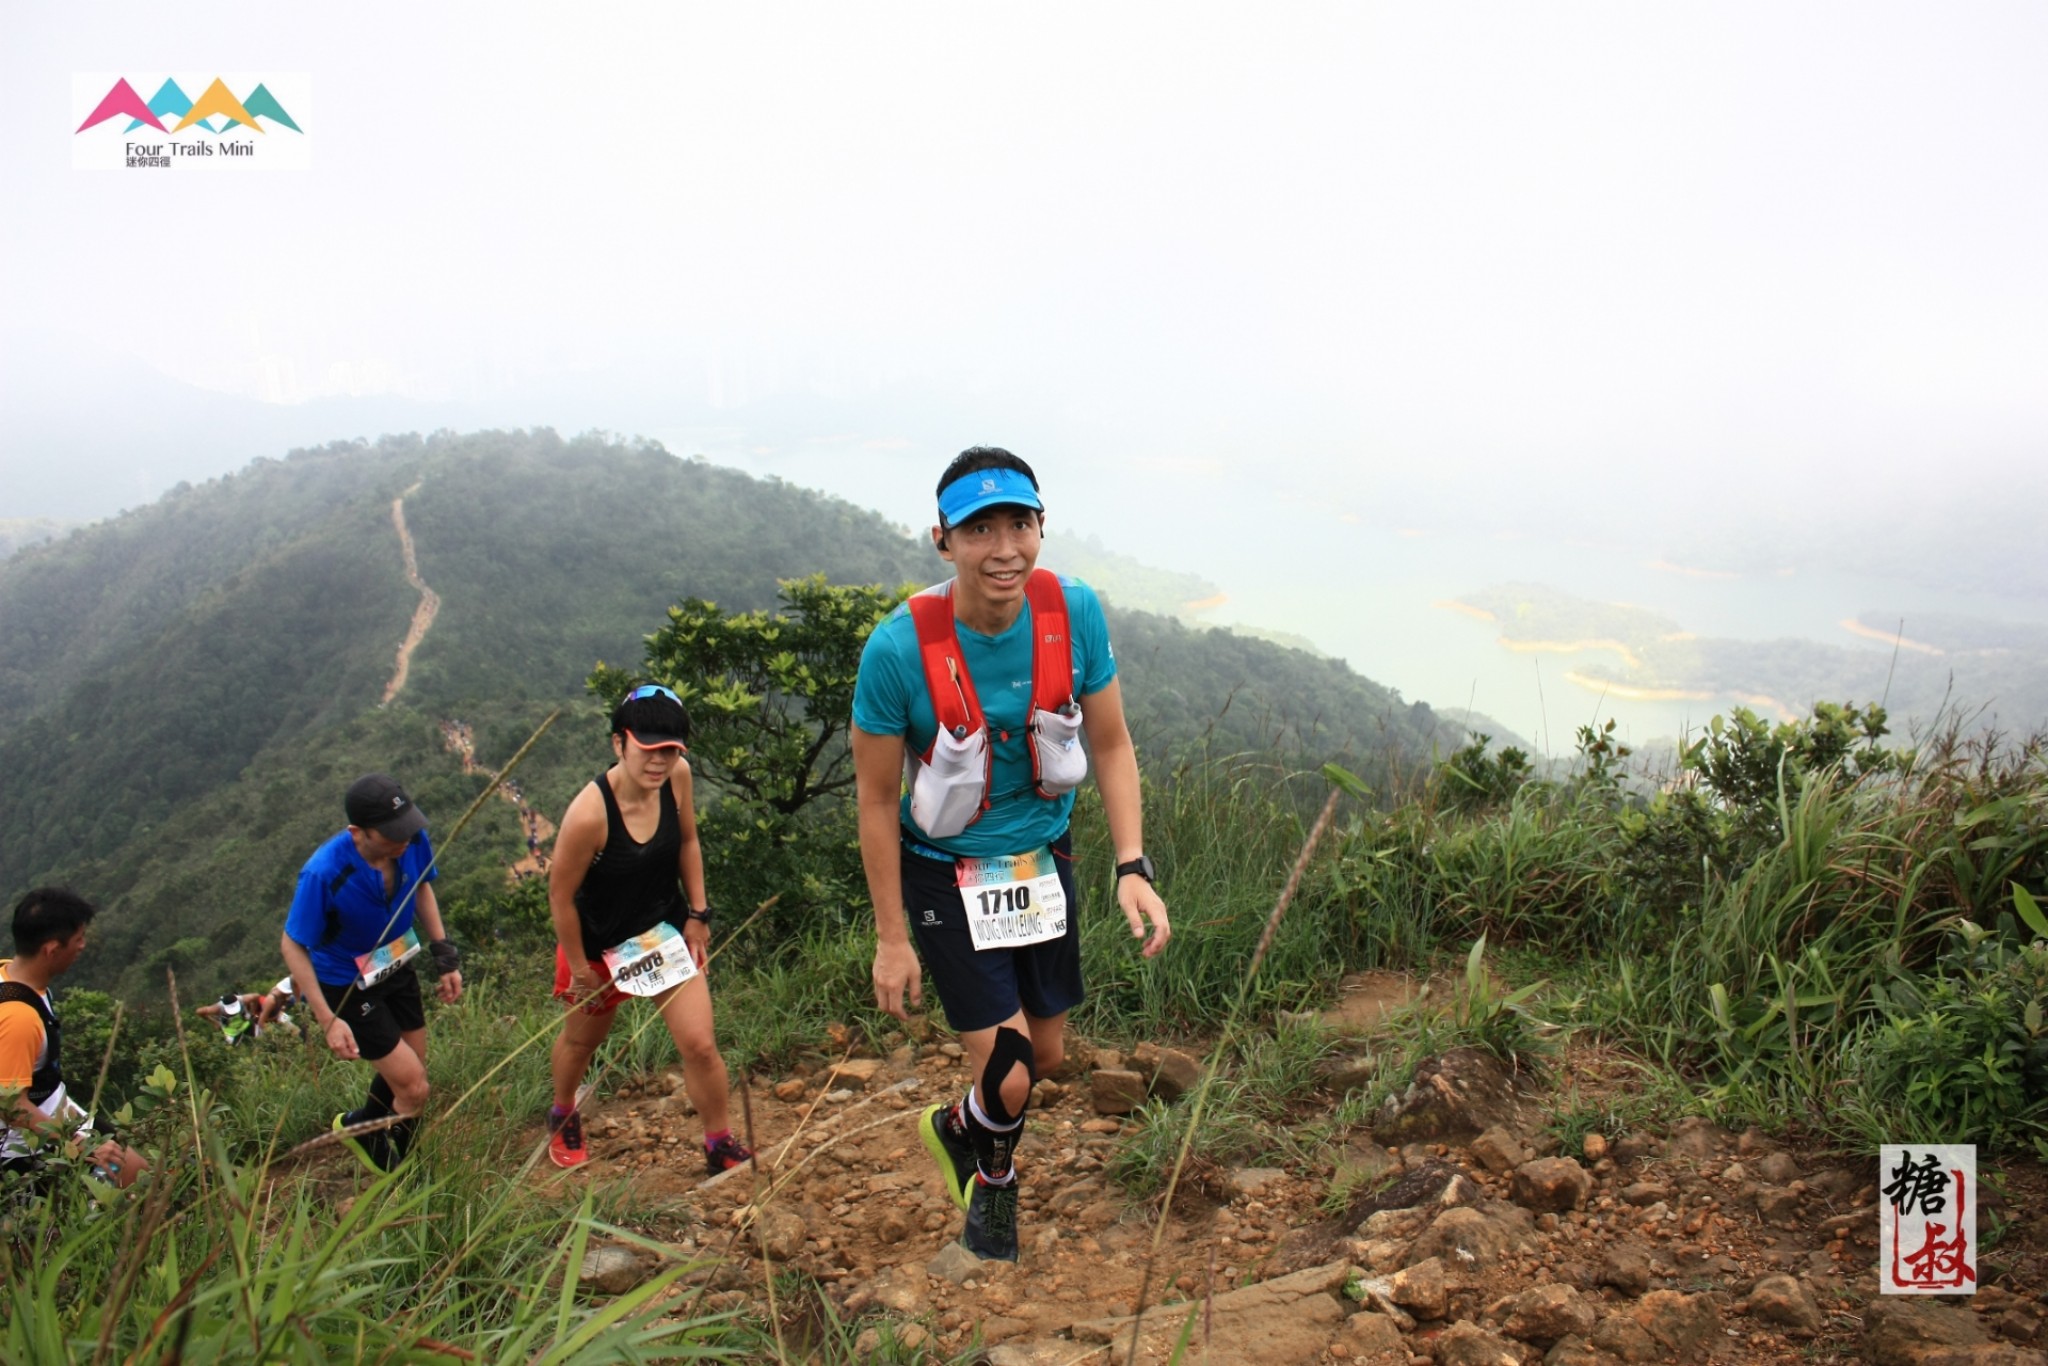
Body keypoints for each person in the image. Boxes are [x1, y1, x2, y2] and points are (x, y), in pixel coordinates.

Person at [851, 447, 1170, 1262]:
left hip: (1039, 862)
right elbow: (877, 800)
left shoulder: (1074, 612)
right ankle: (993, 1190)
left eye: (1019, 525)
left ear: (1041, 526)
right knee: (1014, 1068)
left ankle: (958, 1126)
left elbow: (1111, 742)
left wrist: (1131, 863)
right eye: (978, 530)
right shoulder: (896, 650)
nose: (1004, 549)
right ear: (942, 540)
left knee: (1048, 1054)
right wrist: (892, 938)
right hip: (944, 872)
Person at [542, 685, 752, 1175]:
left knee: (700, 1045)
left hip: (660, 934)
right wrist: (579, 970)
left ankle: (718, 1141)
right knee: (582, 1043)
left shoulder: (678, 777)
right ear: (619, 743)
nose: (659, 761)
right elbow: (560, 897)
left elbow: (689, 841)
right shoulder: (589, 815)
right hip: (597, 946)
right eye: (648, 748)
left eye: (670, 749)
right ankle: (563, 1111)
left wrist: (698, 914)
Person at [280, 774, 464, 1172]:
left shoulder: (412, 840)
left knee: (413, 1070)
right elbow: (292, 944)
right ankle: (407, 1169)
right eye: (391, 833)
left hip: (395, 962)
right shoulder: (324, 873)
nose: (404, 840)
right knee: (414, 1087)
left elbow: (421, 887)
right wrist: (328, 1020)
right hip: (347, 984)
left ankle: (368, 1130)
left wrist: (444, 955)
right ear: (357, 832)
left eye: (407, 827)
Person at [0, 887, 147, 1189]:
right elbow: (10, 1105)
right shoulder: (19, 1018)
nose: (83, 945)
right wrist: (79, 1144)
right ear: (52, 950)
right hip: (23, 1144)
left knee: (139, 1172)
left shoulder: (9, 973)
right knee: (132, 1186)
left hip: (54, 1105)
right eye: (78, 938)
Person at [196, 975, 302, 1043]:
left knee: (282, 1030)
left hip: (265, 1016)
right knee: (233, 1043)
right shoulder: (217, 1008)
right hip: (234, 1027)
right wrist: (214, 1022)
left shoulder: (247, 1000)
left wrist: (253, 1012)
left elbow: (257, 997)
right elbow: (199, 1011)